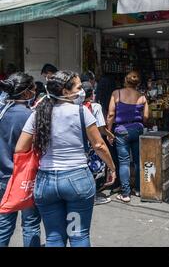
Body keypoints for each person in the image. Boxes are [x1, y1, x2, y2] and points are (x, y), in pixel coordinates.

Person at [15, 70, 116, 247]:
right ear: (65, 91)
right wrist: (112, 168)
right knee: (78, 235)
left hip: (45, 183)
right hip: (76, 182)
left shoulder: (38, 112)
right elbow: (99, 145)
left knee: (54, 237)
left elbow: (20, 148)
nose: (82, 90)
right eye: (78, 87)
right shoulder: (81, 111)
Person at [0, 73, 41, 247]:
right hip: (24, 178)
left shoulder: (2, 112)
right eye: (33, 88)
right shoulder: (29, 116)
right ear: (25, 93)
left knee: (4, 225)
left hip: (3, 177)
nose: (35, 91)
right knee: (31, 224)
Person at [107, 71, 149, 202]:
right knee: (137, 160)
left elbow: (110, 114)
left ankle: (125, 194)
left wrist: (109, 131)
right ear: (138, 83)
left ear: (125, 80)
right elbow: (146, 117)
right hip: (137, 129)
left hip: (121, 130)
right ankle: (138, 189)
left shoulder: (116, 93)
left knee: (124, 162)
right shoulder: (142, 97)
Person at [82, 81, 115, 205]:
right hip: (93, 143)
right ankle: (93, 197)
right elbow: (101, 128)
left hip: (79, 143)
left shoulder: (75, 106)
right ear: (92, 94)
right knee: (94, 170)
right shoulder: (95, 107)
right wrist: (111, 135)